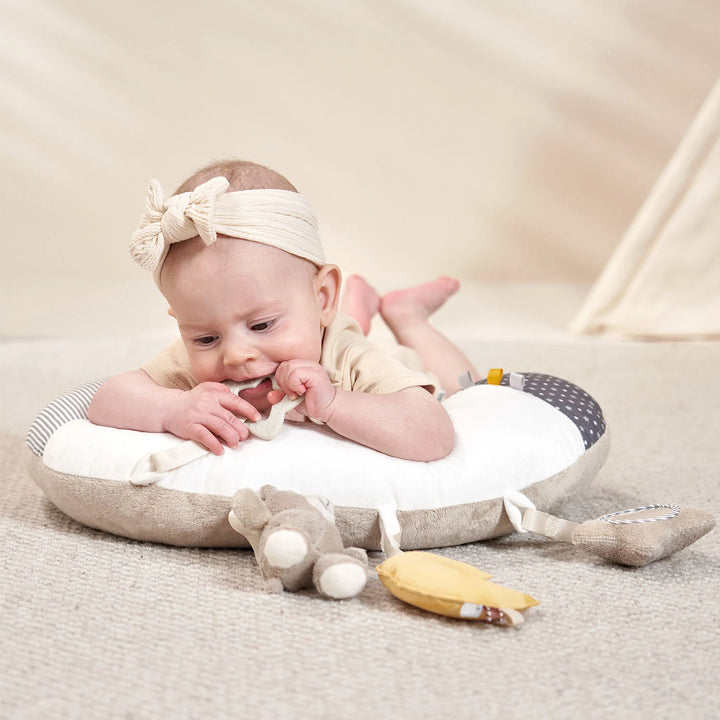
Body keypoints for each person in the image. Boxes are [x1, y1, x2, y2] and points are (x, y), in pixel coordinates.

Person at [88, 160, 479, 461]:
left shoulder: (351, 359)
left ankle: (408, 316)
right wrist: (173, 407)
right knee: (316, 332)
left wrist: (336, 404)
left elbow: (435, 433)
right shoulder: (201, 359)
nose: (235, 353)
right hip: (319, 326)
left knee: (470, 388)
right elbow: (107, 398)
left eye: (261, 324)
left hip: (393, 365)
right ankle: (357, 311)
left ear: (322, 297)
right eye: (205, 337)